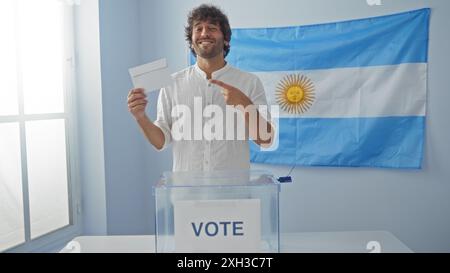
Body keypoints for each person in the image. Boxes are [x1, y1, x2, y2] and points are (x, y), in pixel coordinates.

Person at [127, 4, 273, 172]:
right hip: (186, 193)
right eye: (198, 29)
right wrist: (141, 117)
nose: (204, 33)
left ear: (225, 38)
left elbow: (266, 139)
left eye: (212, 28)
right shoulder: (172, 85)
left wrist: (245, 105)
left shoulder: (249, 82)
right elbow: (161, 142)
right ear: (191, 39)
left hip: (233, 193)